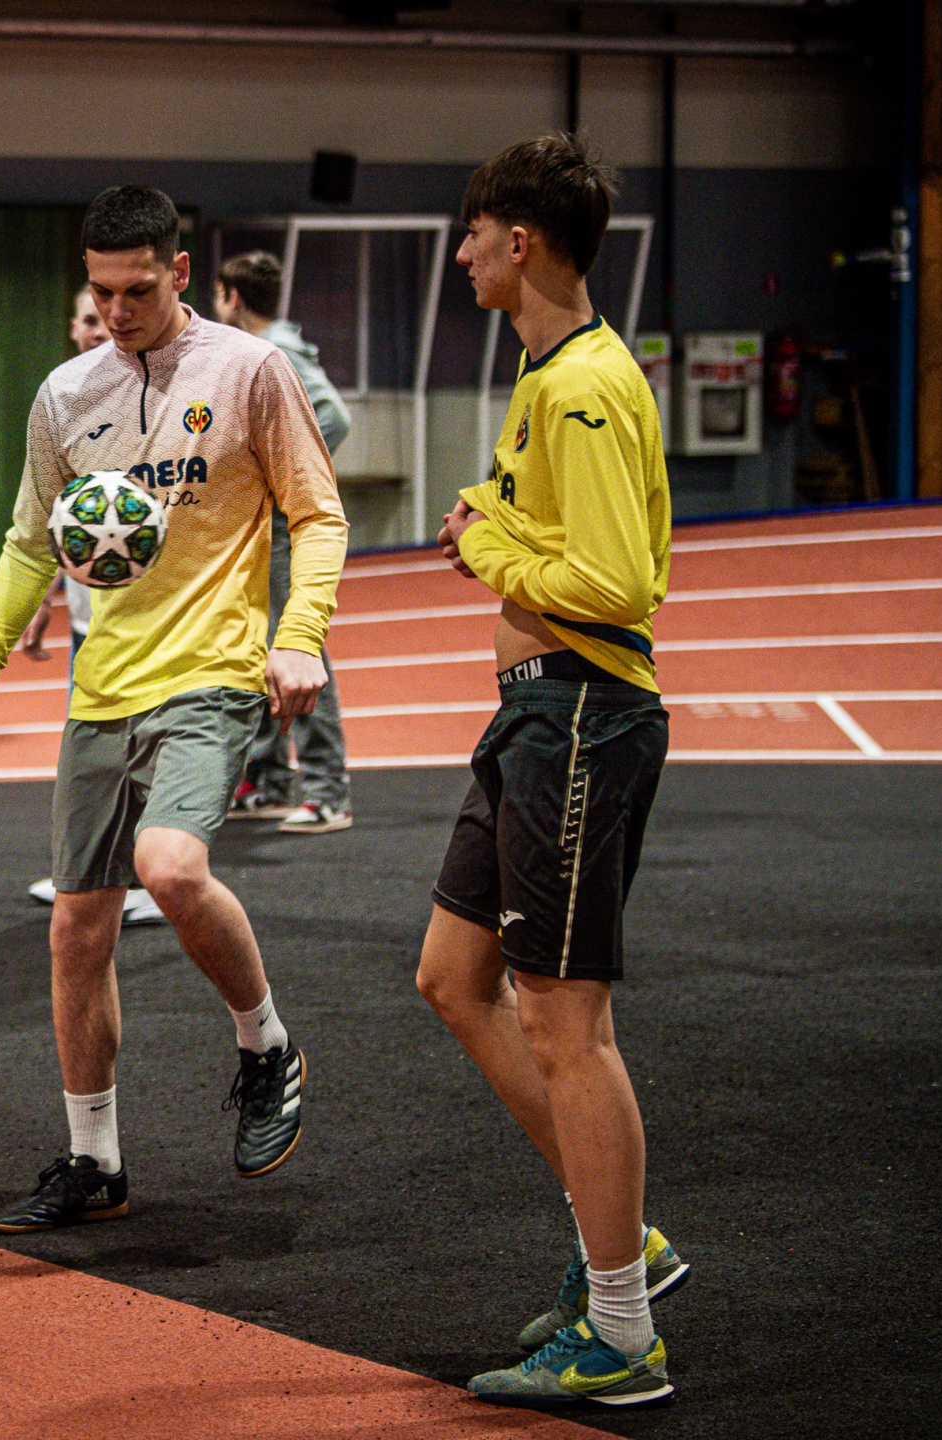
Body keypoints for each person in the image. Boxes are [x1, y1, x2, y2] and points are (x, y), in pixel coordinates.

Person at [0, 186, 349, 1233]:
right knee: (77, 930)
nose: (116, 313)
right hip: (103, 686)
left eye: (137, 290)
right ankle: (94, 1162)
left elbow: (318, 513)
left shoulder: (249, 372)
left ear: (179, 270)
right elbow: (28, 543)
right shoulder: (65, 395)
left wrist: (299, 635)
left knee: (169, 867)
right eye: (101, 292)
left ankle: (266, 1044)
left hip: (212, 672)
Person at [416, 134, 688, 1409]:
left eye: (473, 236)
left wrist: (490, 554)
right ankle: (623, 1242)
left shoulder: (579, 387)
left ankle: (622, 1331)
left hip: (580, 713)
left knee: (565, 1026)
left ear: (519, 241)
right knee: (453, 977)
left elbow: (618, 585)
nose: (461, 256)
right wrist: (500, 517)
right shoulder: (552, 374)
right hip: (539, 714)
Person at [23, 287, 162, 928]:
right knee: (100, 755)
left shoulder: (154, 400)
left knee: (142, 749)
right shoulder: (67, 400)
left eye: (104, 314)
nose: (97, 325)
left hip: (148, 617)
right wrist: (43, 596)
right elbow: (62, 520)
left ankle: (143, 878)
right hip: (88, 617)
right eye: (86, 315)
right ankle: (98, 876)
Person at [211, 251, 355, 834]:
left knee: (297, 650)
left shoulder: (278, 352)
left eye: (217, 296)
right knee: (257, 649)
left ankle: (327, 790)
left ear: (233, 297)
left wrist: (287, 474)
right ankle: (270, 779)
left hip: (279, 531)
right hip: (256, 532)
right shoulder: (263, 350)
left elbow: (335, 416)